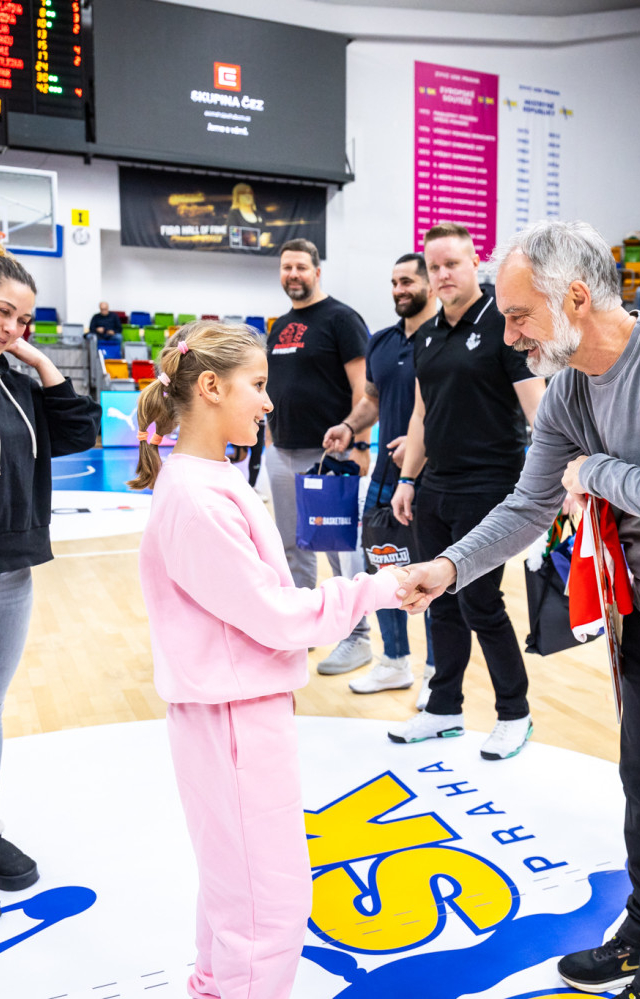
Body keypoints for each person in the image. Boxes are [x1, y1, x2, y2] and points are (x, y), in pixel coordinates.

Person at [396, 220, 640, 999]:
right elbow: (529, 503)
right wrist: (449, 565)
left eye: (518, 316)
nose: (510, 334)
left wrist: (596, 470)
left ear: (574, 297)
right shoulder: (571, 383)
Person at [129, 322, 405, 999]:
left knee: (236, 887)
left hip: (233, 708)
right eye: (257, 385)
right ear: (211, 386)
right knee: (266, 905)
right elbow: (276, 615)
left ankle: (214, 986)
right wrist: (380, 588)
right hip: (232, 716)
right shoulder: (197, 497)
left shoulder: (206, 477)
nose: (268, 401)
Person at [387, 222, 546, 760]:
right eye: (434, 267)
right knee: (438, 604)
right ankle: (443, 709)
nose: (443, 274)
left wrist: (554, 478)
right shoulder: (427, 334)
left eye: (452, 263)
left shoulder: (504, 322)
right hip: (436, 487)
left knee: (480, 603)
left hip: (490, 488)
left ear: (475, 262)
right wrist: (408, 479)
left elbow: (538, 407)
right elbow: (421, 415)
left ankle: (515, 714)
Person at [0, 251, 101, 894]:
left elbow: (78, 432)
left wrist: (38, 361)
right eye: (3, 312)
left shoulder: (15, 381)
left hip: (11, 572)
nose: (12, 327)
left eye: (23, 320)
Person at [323, 253, 438, 702]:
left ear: (430, 284)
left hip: (433, 475)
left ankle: (437, 674)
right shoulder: (382, 341)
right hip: (386, 478)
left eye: (407, 281)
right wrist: (349, 426)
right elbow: (371, 400)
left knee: (434, 574)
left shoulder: (443, 339)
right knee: (383, 566)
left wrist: (422, 442)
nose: (399, 290)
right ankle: (393, 662)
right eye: (394, 282)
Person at [265, 239, 374, 675]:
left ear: (317, 271)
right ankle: (304, 630)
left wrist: (360, 444)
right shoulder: (279, 327)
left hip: (329, 455)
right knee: (291, 547)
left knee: (338, 551)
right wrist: (269, 437)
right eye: (286, 267)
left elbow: (365, 388)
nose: (293, 274)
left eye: (300, 267)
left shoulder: (341, 319)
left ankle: (357, 637)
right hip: (283, 450)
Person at [225, 182, 271, 248]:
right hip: (241, 252)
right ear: (237, 197)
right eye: (243, 194)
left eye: (250, 193)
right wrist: (253, 240)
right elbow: (234, 237)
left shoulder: (258, 214)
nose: (248, 196)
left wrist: (267, 237)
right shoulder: (234, 215)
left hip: (260, 252)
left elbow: (266, 232)